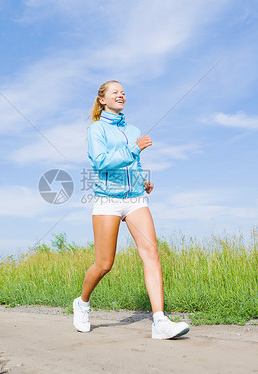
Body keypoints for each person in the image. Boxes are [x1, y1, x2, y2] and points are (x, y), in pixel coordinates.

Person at [73, 80, 190, 339]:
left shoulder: (133, 128)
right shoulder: (96, 129)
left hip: (135, 198)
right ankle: (82, 303)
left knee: (151, 253)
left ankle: (159, 321)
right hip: (108, 200)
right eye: (115, 92)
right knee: (104, 264)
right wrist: (134, 148)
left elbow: (133, 165)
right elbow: (101, 162)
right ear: (102, 99)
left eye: (123, 92)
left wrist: (141, 182)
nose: (121, 94)